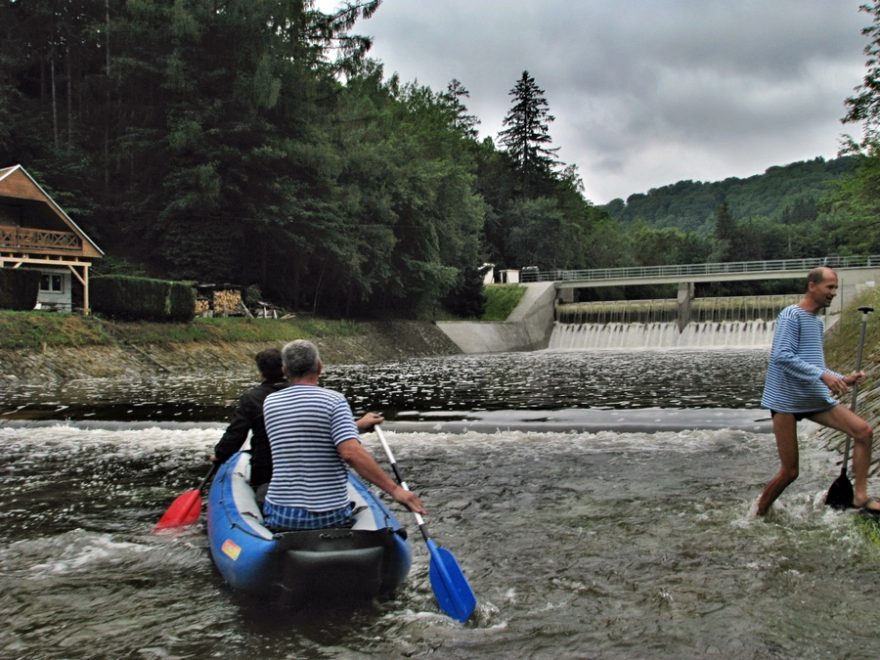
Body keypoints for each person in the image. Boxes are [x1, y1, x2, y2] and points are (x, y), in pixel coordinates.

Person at [262, 339, 425, 530]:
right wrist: (395, 490)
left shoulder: (270, 402)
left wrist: (356, 426)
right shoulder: (334, 401)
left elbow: (308, 432)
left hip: (283, 513)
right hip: (328, 515)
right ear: (319, 367)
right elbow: (350, 453)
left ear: (285, 370)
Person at [755, 266, 876, 516]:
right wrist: (823, 375)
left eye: (835, 288)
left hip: (813, 397)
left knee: (863, 432)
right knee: (790, 472)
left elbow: (815, 365)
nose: (833, 293)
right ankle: (757, 513)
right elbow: (781, 356)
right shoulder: (791, 315)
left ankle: (860, 497)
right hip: (786, 401)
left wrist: (844, 379)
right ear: (812, 286)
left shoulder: (816, 323)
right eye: (829, 287)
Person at [212, 347, 288, 489]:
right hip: (299, 467)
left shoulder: (251, 398)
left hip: (265, 470)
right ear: (285, 367)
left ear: (261, 372)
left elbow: (236, 433)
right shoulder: (301, 392)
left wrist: (220, 455)